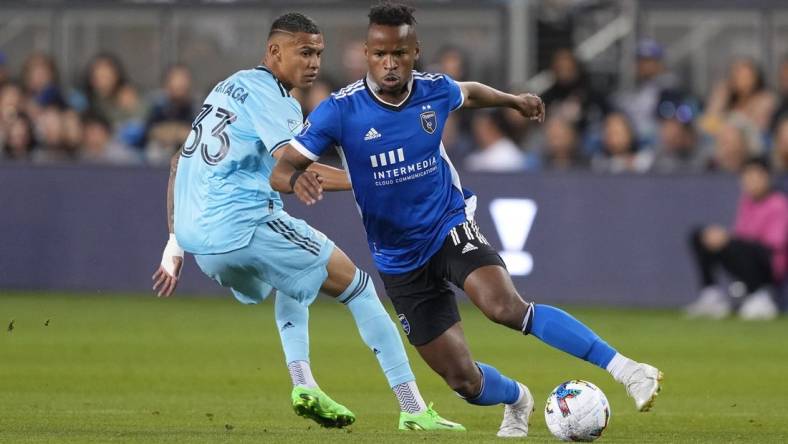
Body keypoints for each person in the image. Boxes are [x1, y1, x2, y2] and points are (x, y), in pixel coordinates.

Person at [271, 2, 662, 438]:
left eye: (399, 53)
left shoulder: (433, 91)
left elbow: (470, 92)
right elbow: (281, 170)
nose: (389, 63)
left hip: (448, 226)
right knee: (462, 380)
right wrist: (298, 181)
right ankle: (518, 398)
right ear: (366, 53)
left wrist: (514, 101)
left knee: (505, 308)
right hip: (399, 260)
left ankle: (628, 369)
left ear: (415, 52)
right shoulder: (339, 111)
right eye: (380, 54)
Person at [150, 12, 460, 432]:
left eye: (318, 53)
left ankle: (304, 383)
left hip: (200, 243)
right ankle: (413, 408)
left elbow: (176, 161)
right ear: (274, 51)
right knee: (360, 288)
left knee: (293, 280)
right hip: (245, 226)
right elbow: (294, 168)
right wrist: (372, 180)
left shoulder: (228, 87)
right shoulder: (277, 101)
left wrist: (174, 243)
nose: (314, 62)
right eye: (305, 52)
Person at [685, 157, 787, 320]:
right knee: (700, 236)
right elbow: (740, 234)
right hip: (745, 254)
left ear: (767, 177)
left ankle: (761, 296)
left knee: (733, 243)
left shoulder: (779, 204)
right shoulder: (746, 201)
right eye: (747, 177)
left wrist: (729, 239)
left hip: (770, 264)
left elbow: (773, 244)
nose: (750, 182)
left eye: (756, 176)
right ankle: (711, 295)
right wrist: (722, 238)